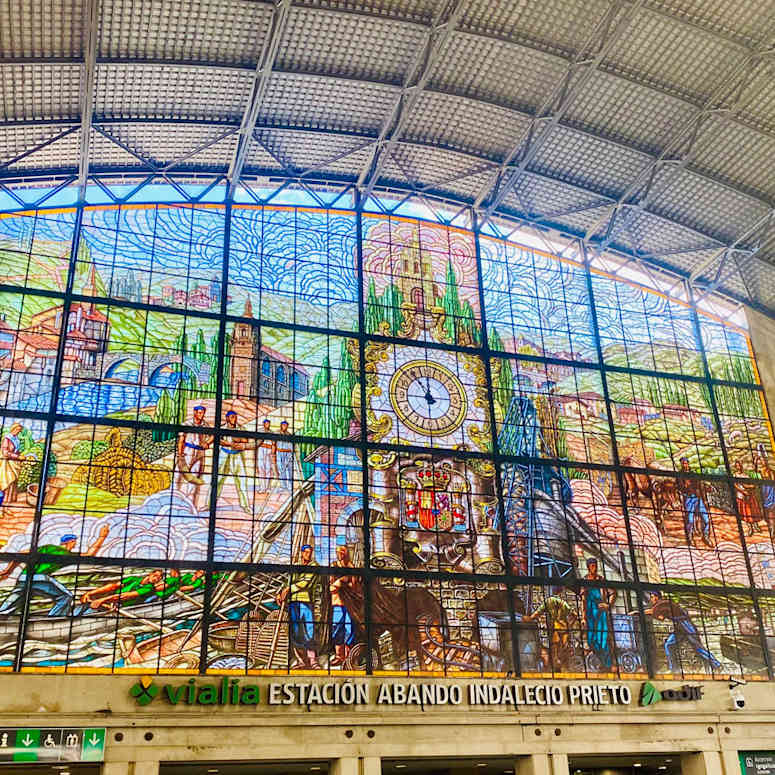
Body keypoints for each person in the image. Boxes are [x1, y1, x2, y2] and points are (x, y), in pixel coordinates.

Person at [0, 526, 109, 617]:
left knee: (13, 601)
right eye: (74, 543)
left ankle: (2, 616)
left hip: (23, 578)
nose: (74, 545)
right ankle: (53, 619)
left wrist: (8, 570)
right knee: (66, 597)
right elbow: (90, 554)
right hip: (40, 578)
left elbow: (22, 554)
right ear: (70, 542)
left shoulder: (47, 547)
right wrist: (102, 537)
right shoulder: (66, 554)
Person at [636, 591, 721, 673]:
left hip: (686, 625)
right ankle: (674, 670)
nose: (651, 599)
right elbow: (661, 617)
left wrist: (638, 612)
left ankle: (717, 665)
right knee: (669, 645)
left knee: (698, 647)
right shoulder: (661, 605)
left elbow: (653, 612)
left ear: (657, 597)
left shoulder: (662, 603)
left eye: (652, 597)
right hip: (679, 626)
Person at [276, 544, 321, 668]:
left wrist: (287, 590)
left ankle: (313, 660)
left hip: (305, 601)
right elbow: (287, 581)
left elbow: (305, 583)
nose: (308, 554)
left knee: (308, 631)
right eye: (306, 552)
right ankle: (300, 660)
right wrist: (279, 593)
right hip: (292, 603)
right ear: (301, 553)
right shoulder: (295, 566)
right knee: (295, 632)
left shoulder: (314, 566)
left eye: (310, 552)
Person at [523, 589, 577, 671]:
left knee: (561, 646)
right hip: (558, 627)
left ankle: (561, 665)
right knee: (556, 645)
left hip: (562, 628)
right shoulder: (554, 602)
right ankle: (557, 664)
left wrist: (570, 625)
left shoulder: (555, 602)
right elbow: (574, 615)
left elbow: (538, 612)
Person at [579, 558, 615, 669]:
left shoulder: (601, 579)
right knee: (591, 640)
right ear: (588, 567)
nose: (595, 568)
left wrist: (608, 605)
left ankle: (607, 664)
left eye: (596, 565)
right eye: (592, 565)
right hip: (590, 613)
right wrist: (583, 617)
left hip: (601, 612)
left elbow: (613, 592)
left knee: (602, 638)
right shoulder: (584, 580)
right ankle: (600, 661)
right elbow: (583, 600)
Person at [176, 405, 211, 511]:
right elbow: (181, 439)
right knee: (180, 475)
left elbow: (213, 435)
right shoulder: (186, 424)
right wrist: (180, 454)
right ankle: (175, 500)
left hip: (200, 452)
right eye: (199, 413)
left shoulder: (205, 425)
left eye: (203, 413)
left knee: (195, 477)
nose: (201, 415)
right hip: (188, 451)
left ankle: (191, 505)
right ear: (194, 413)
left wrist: (207, 443)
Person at [329, 541, 358, 667]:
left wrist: (344, 582)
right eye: (338, 552)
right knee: (336, 628)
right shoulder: (333, 565)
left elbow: (355, 586)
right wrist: (342, 581)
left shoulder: (351, 567)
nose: (340, 554)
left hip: (349, 604)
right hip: (337, 602)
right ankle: (339, 656)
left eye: (342, 552)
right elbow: (331, 586)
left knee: (349, 628)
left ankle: (349, 656)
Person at [217, 410, 250, 512]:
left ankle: (245, 506)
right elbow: (218, 439)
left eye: (235, 417)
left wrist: (238, 439)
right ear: (227, 418)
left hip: (237, 456)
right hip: (224, 454)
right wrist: (230, 444)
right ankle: (210, 504)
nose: (234, 419)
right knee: (217, 479)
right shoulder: (222, 428)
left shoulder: (241, 428)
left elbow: (246, 440)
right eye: (231, 417)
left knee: (242, 481)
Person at [677, 457, 713, 546]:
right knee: (690, 520)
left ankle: (706, 536)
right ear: (681, 464)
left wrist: (704, 499)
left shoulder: (693, 474)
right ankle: (690, 537)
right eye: (683, 463)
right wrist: (684, 486)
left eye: (686, 463)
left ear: (688, 464)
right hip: (688, 498)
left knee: (706, 519)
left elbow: (699, 485)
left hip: (698, 498)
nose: (685, 465)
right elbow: (679, 487)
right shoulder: (679, 475)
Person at [733, 458, 763, 536]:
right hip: (742, 496)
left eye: (740, 465)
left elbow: (750, 483)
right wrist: (743, 491)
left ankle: (756, 526)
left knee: (753, 511)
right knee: (746, 513)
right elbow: (735, 485)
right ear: (736, 467)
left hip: (750, 495)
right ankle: (750, 528)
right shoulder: (735, 475)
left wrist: (751, 487)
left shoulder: (746, 474)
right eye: (737, 465)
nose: (739, 467)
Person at [0, 422, 27, 506]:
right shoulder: (7, 439)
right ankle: (3, 504)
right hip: (7, 464)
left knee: (13, 482)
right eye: (17, 430)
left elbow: (16, 450)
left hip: (14, 463)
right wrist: (17, 457)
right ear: (13, 429)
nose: (18, 432)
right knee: (8, 482)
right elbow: (5, 452)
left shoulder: (16, 439)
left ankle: (8, 504)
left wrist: (21, 456)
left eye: (19, 431)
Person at [754, 454, 775, 539]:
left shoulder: (770, 471)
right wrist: (755, 463)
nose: (761, 462)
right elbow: (756, 475)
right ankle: (772, 529)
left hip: (771, 493)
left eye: (762, 460)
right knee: (768, 513)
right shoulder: (760, 472)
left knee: (771, 512)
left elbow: (773, 482)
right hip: (765, 494)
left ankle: (773, 530)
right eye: (760, 461)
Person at [256, 419, 276, 491]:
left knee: (268, 469)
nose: (267, 424)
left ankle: (268, 487)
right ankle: (262, 487)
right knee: (261, 468)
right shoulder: (259, 430)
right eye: (266, 423)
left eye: (268, 423)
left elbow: (274, 443)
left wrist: (273, 453)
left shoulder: (272, 432)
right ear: (263, 423)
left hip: (269, 451)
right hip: (261, 449)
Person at [275, 420, 294, 490]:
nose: (284, 426)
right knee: (281, 469)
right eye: (283, 425)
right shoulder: (277, 433)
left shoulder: (289, 435)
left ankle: (290, 486)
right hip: (279, 453)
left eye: (286, 425)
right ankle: (283, 486)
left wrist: (290, 453)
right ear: (281, 426)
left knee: (289, 469)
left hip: (288, 454)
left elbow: (291, 447)